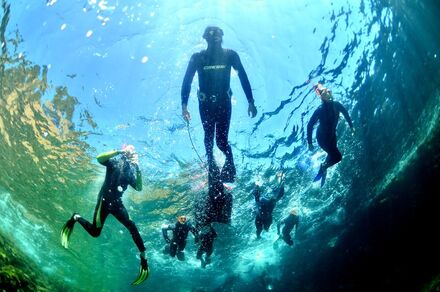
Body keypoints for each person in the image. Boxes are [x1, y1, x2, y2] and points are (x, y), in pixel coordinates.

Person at [60, 145, 149, 285]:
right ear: (124, 149)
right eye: (129, 149)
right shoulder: (114, 162)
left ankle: (144, 257)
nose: (131, 152)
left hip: (118, 204)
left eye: (133, 151)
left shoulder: (131, 171)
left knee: (132, 226)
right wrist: (119, 152)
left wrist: (138, 168)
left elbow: (139, 188)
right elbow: (99, 158)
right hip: (104, 201)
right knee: (95, 232)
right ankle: (76, 217)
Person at [181, 25, 258, 183]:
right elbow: (187, 81)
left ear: (221, 37)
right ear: (205, 38)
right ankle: (212, 166)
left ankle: (230, 165)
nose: (215, 38)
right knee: (208, 139)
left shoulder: (231, 55)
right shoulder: (197, 57)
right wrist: (184, 105)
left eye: (217, 35)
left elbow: (243, 76)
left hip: (224, 104)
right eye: (212, 36)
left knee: (221, 141)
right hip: (206, 105)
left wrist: (250, 100)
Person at [307, 83, 354, 186]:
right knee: (338, 157)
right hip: (323, 140)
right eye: (324, 92)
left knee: (332, 154)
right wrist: (310, 143)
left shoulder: (337, 105)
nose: (328, 92)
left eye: (328, 90)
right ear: (321, 97)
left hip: (333, 136)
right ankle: (324, 167)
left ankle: (324, 166)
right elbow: (309, 125)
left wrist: (351, 126)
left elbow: (346, 114)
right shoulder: (319, 110)